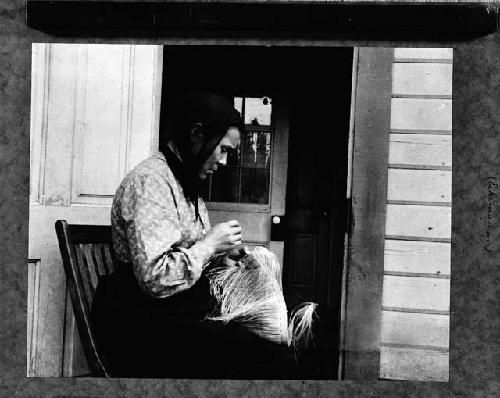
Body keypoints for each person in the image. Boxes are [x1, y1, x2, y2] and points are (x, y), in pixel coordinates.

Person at [91, 92, 299, 378]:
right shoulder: (151, 182)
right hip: (140, 321)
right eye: (223, 149)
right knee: (272, 359)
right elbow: (156, 279)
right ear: (197, 134)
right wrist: (210, 243)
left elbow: (186, 255)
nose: (225, 162)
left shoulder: (184, 184)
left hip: (172, 312)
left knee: (269, 345)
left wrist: (220, 258)